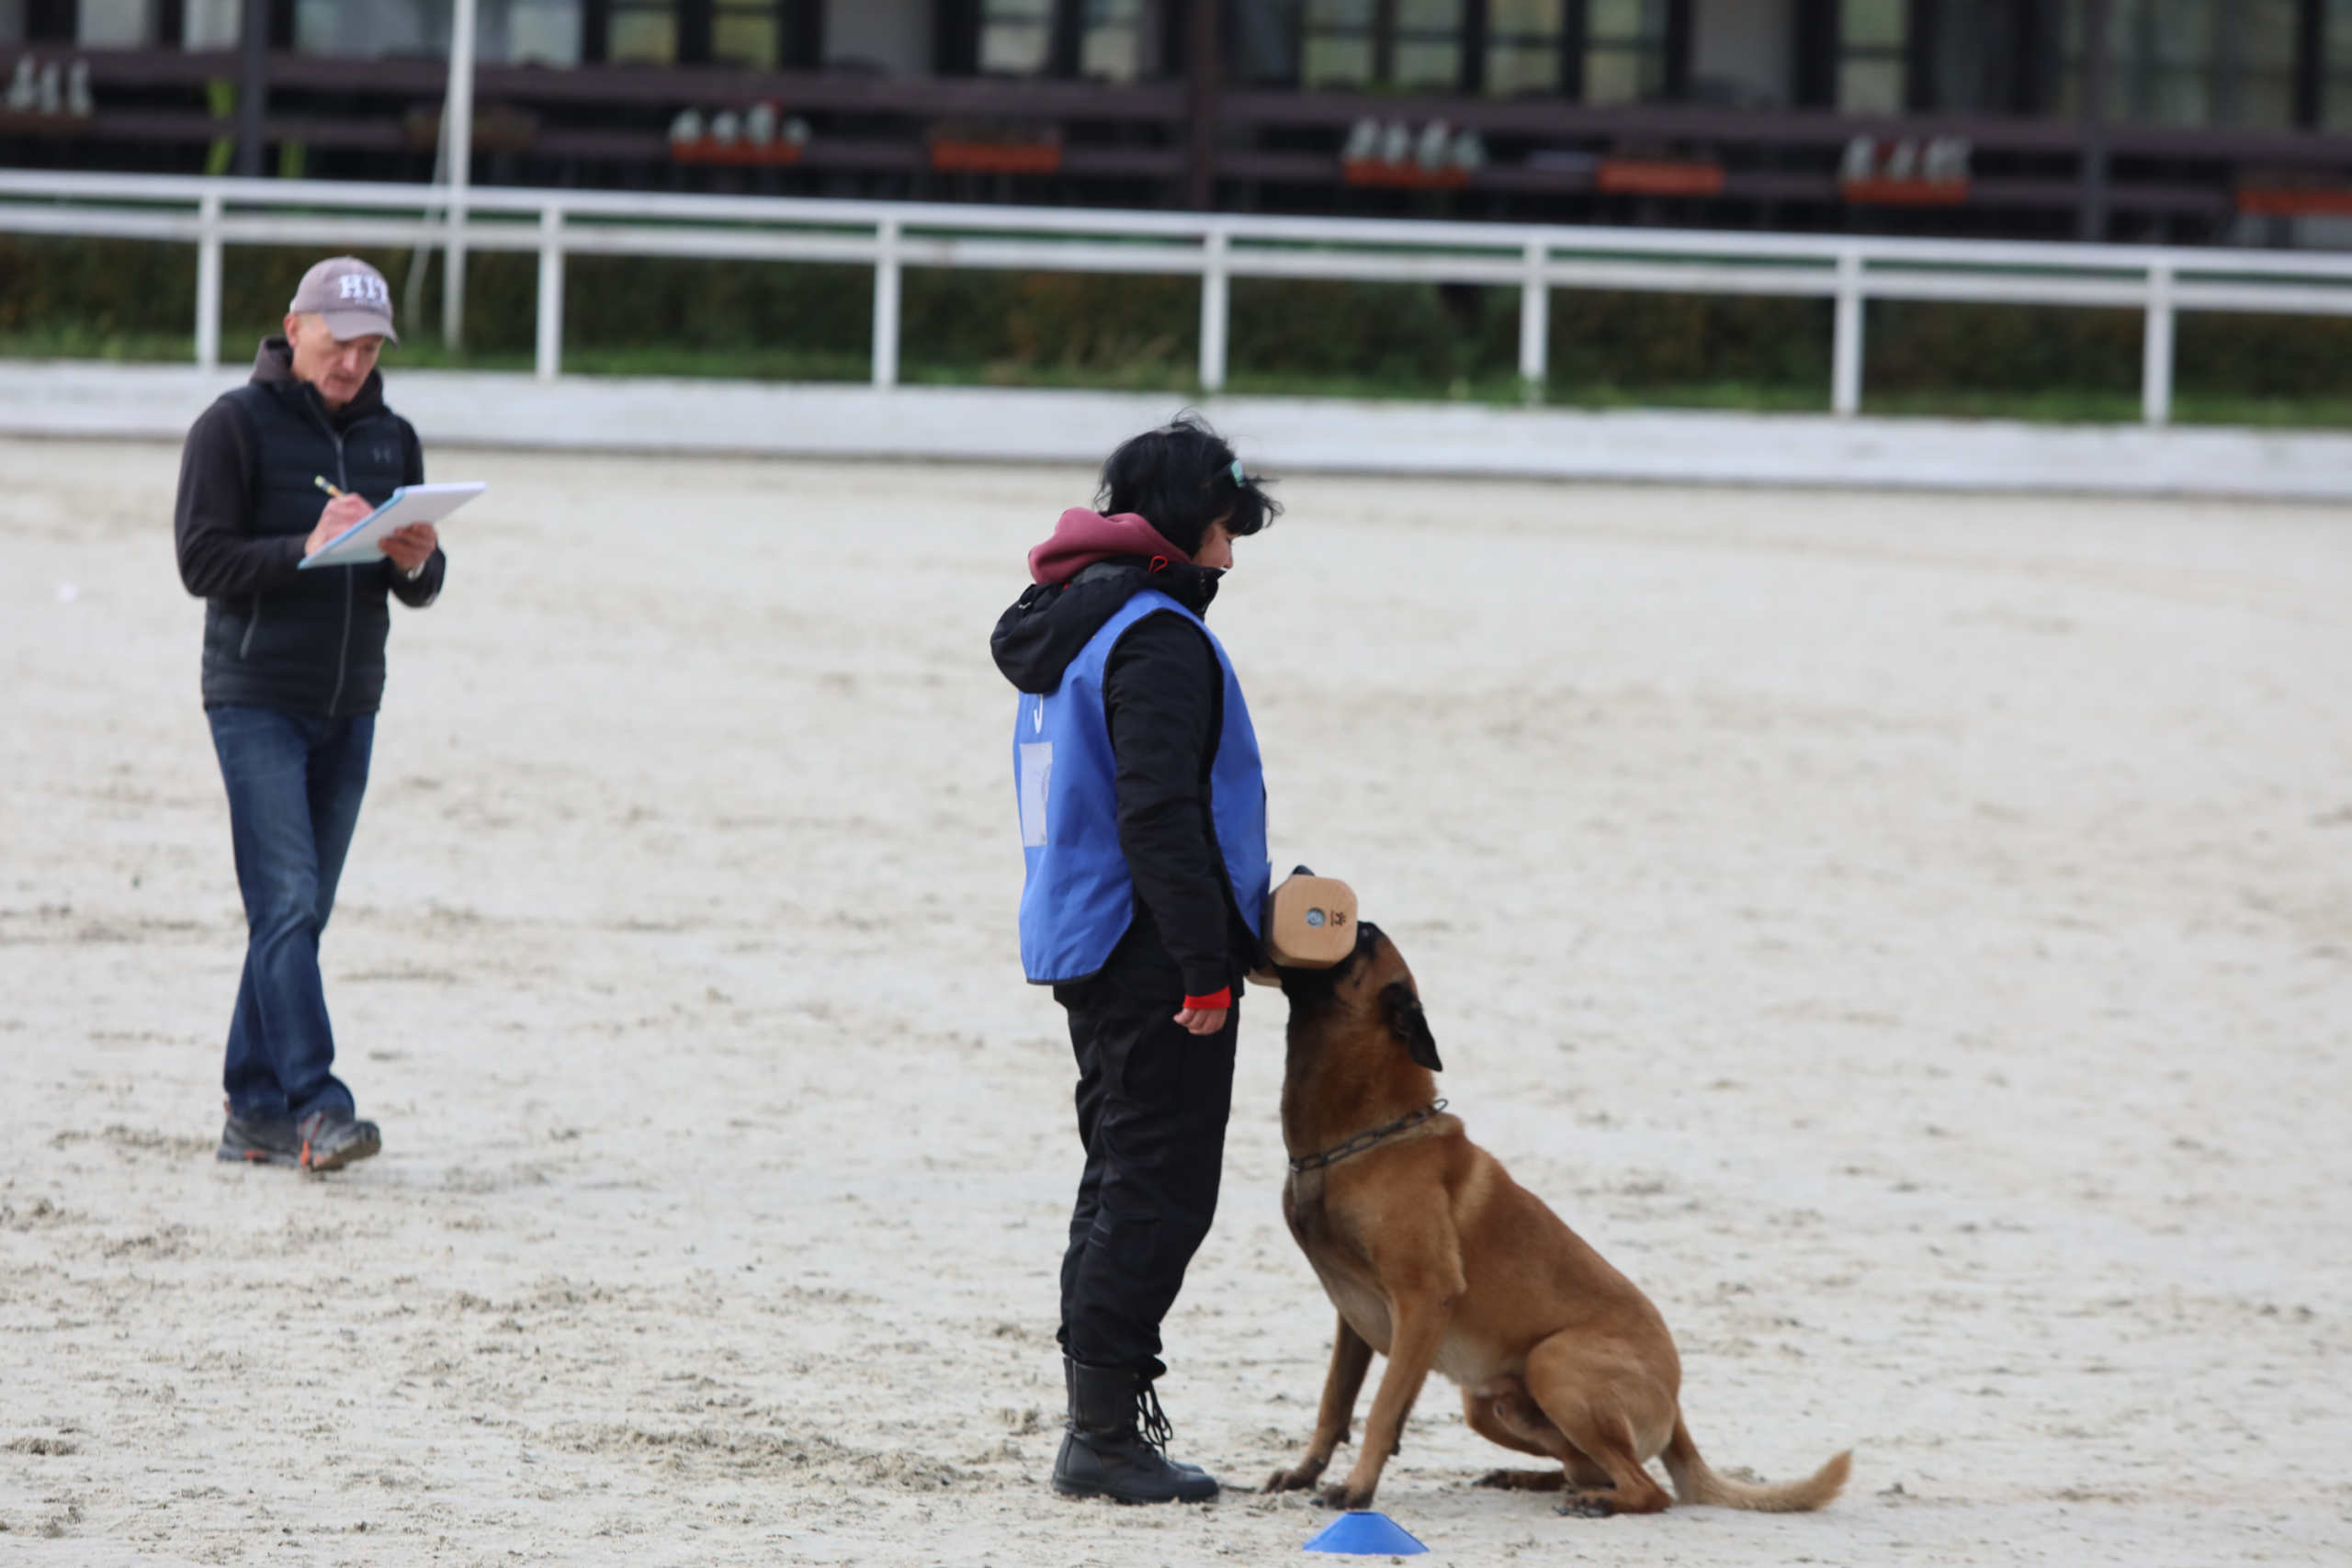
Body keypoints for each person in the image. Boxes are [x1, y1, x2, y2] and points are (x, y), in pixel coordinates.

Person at [991, 414, 1281, 1504]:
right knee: (1158, 1191)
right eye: (1224, 529)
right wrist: (1207, 962)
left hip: (1084, 929)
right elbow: (1157, 813)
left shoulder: (1074, 617)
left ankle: (1100, 1418)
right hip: (1151, 947)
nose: (1231, 556)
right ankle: (1103, 1437)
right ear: (1181, 525)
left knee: (1117, 1177)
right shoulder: (1154, 636)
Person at [173, 256, 447, 1173]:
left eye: (371, 349)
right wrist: (304, 545)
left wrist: (416, 559)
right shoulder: (231, 426)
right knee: (287, 902)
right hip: (254, 697)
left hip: (352, 701)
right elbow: (200, 562)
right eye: (340, 344)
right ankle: (317, 1106)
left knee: (298, 914)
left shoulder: (392, 438)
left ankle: (251, 1108)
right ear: (295, 331)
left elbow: (421, 588)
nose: (354, 364)